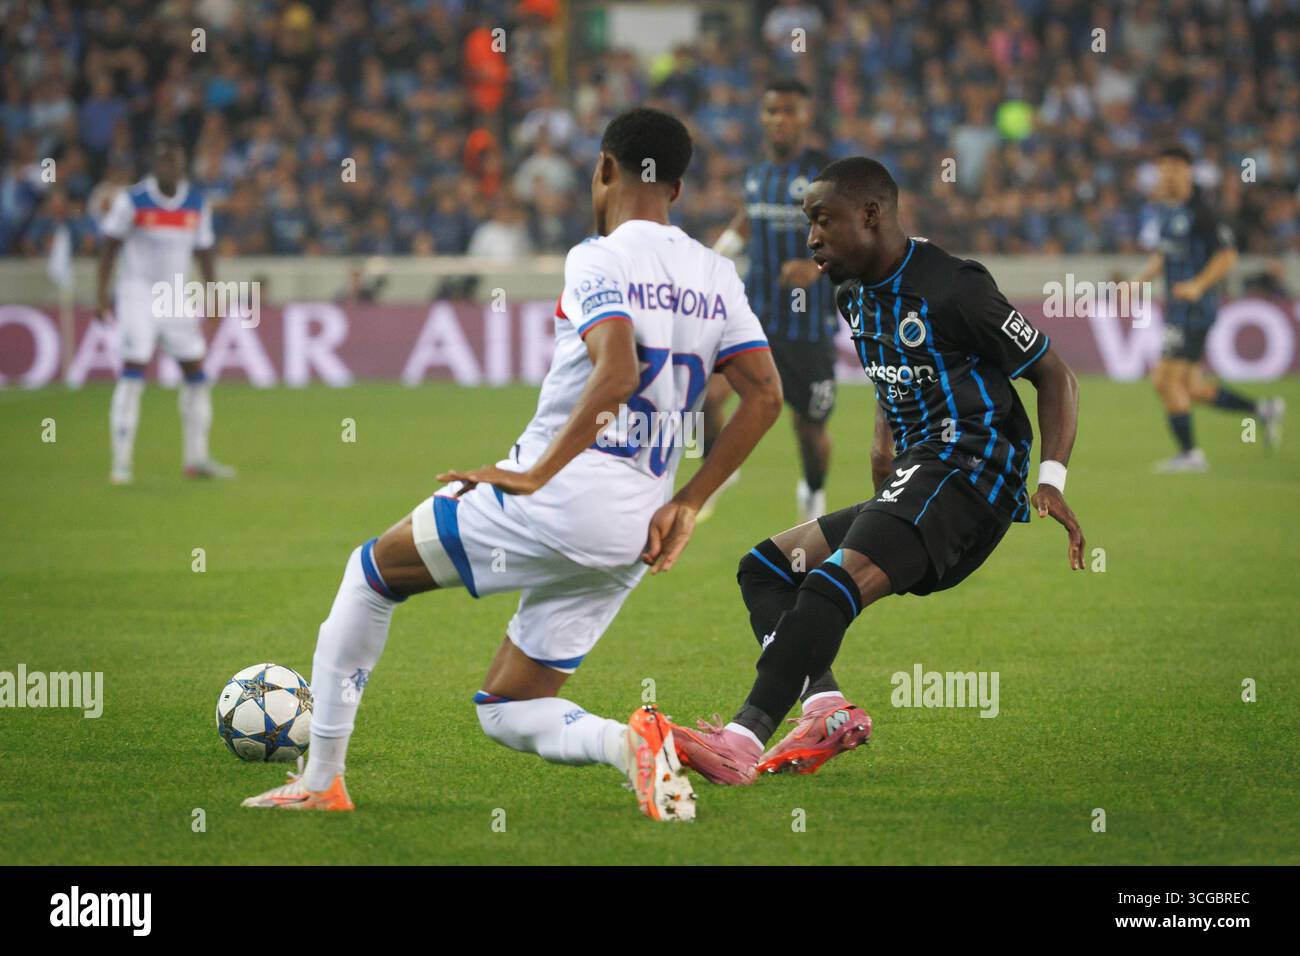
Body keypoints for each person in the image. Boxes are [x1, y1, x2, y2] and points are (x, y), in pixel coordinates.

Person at [242, 108, 783, 821]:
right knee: (508, 705)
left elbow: (617, 371)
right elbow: (765, 394)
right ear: (677, 191)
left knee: (370, 575)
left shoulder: (598, 255)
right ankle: (632, 745)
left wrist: (534, 475)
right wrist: (688, 499)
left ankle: (322, 781)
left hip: (554, 501)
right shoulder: (715, 274)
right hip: (635, 531)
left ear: (604, 169)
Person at [672, 157, 1086, 784]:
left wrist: (1051, 478)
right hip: (919, 472)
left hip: (972, 470)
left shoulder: (955, 287)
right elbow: (891, 379)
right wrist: (880, 453)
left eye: (822, 221)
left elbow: (1053, 373)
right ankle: (826, 709)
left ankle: (741, 741)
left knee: (826, 582)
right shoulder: (849, 294)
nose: (811, 237)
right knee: (765, 571)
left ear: (869, 215)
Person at [702, 78, 838, 522]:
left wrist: (815, 268)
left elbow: (850, 234)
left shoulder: (824, 174)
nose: (779, 119)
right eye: (772, 111)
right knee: (704, 395)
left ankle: (814, 493)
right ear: (762, 117)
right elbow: (749, 218)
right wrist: (716, 255)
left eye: (789, 111)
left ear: (805, 117)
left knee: (809, 426)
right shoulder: (759, 172)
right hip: (753, 317)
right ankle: (720, 471)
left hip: (807, 327)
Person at [96, 131, 235, 484]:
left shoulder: (195, 204)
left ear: (183, 164)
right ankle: (121, 464)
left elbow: (204, 251)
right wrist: (100, 294)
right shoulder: (133, 201)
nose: (169, 166)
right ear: (154, 165)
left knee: (196, 372)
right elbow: (109, 246)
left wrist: (214, 293)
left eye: (174, 160)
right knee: (134, 368)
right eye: (162, 160)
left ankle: (197, 459)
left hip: (175, 296)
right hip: (137, 294)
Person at [1135, 144, 1284, 472]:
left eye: (1174, 166)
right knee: (1192, 387)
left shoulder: (1202, 211)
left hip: (1193, 309)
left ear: (1188, 171)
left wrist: (1197, 285)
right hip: (1179, 308)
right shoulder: (1169, 210)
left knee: (1164, 380)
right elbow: (1166, 253)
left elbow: (1227, 255)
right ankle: (1264, 409)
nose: (1167, 173)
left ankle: (1190, 455)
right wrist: (1140, 279)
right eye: (1163, 166)